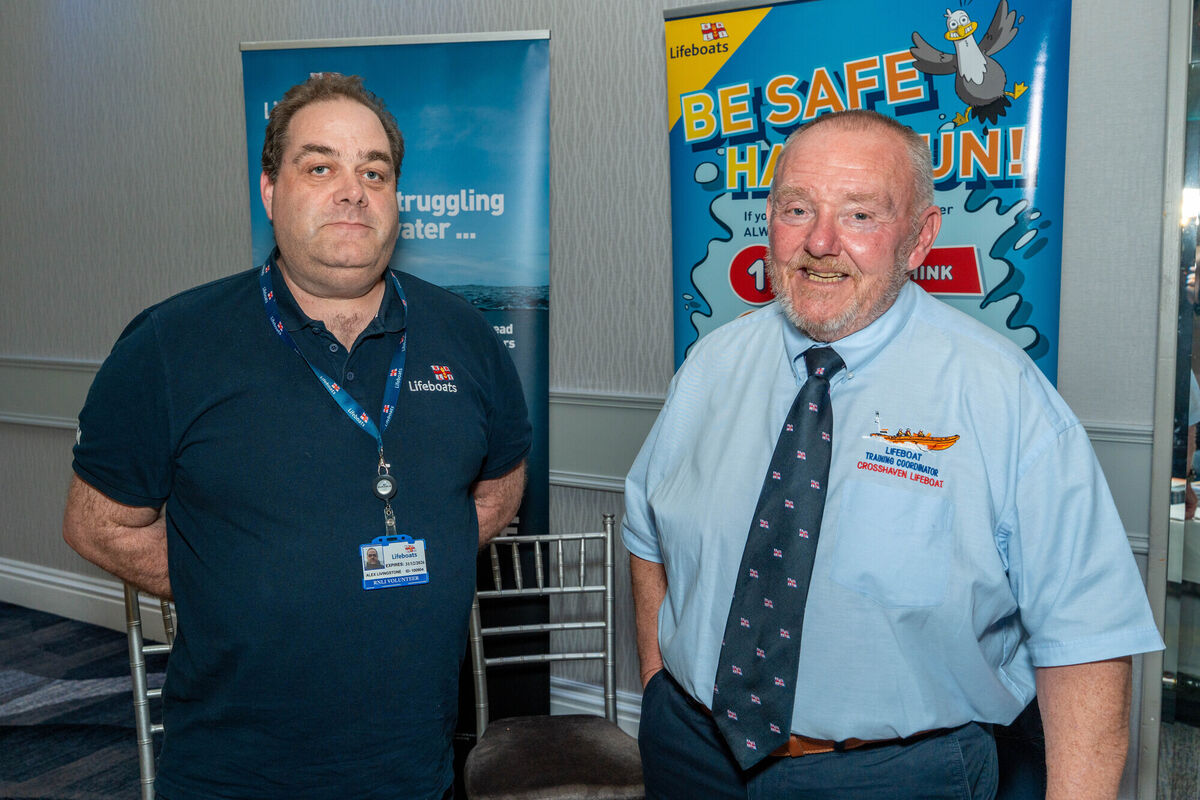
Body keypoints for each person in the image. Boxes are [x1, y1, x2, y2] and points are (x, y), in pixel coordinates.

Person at [623, 110, 1163, 800]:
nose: (820, 242)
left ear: (919, 238)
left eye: (860, 216)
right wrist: (659, 692)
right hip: (693, 755)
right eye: (797, 208)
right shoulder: (711, 364)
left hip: (896, 776)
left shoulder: (1005, 399)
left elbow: (1086, 641)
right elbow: (646, 531)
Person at [62, 73, 530, 800]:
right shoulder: (169, 343)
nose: (353, 191)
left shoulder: (466, 336)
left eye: (374, 171)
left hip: (414, 765)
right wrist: (232, 585)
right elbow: (98, 525)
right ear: (271, 191)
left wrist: (419, 560)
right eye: (321, 167)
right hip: (235, 771)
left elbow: (500, 485)